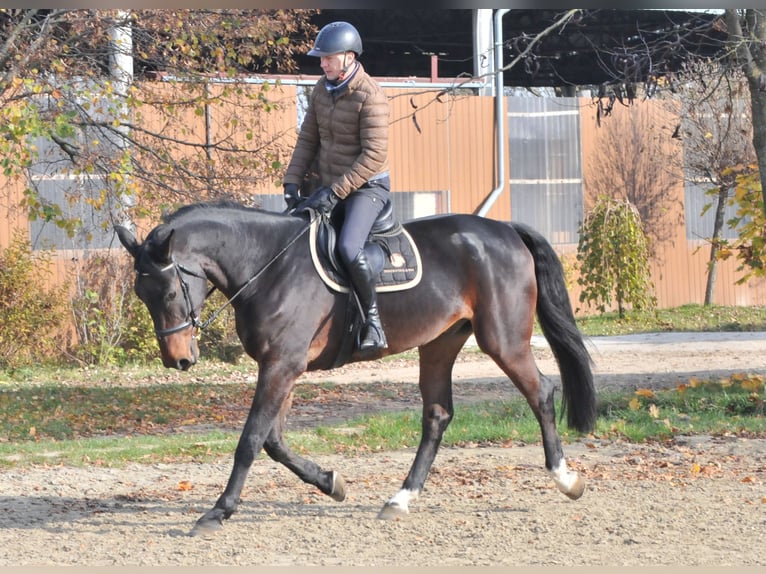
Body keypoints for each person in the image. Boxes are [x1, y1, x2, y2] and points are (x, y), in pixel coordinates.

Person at [283, 21, 390, 352]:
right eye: (321, 58)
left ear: (348, 56)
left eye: (328, 58)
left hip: (366, 189)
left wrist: (335, 192)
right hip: (330, 187)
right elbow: (308, 140)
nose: (322, 63)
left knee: (346, 248)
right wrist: (292, 181)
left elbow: (374, 156)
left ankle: (373, 324)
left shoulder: (370, 95)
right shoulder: (321, 89)